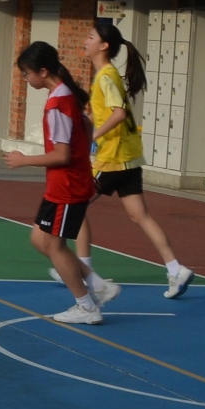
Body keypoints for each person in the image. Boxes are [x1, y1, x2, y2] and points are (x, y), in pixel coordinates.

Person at [77, 18, 193, 300]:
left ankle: (83, 271)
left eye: (91, 37)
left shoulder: (106, 76)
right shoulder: (106, 75)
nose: (85, 40)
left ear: (104, 45)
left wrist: (93, 136)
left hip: (113, 158)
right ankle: (175, 269)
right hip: (128, 156)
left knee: (74, 205)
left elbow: (118, 114)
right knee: (139, 215)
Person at [3, 42, 103, 325]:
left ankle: (86, 306)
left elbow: (62, 154)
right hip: (62, 185)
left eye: (27, 73)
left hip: (67, 186)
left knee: (55, 247)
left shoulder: (58, 103)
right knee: (40, 240)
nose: (25, 79)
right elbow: (86, 128)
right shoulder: (64, 95)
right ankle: (97, 285)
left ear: (43, 71)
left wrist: (24, 160)